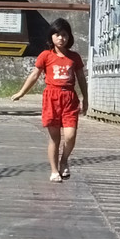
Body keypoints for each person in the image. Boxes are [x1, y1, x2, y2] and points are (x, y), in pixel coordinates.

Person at [12, 18, 88, 182]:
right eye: (57, 35)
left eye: (64, 35)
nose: (61, 38)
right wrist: (22, 92)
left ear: (69, 37)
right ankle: (54, 171)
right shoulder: (46, 55)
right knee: (55, 138)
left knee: (70, 136)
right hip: (51, 98)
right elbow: (34, 75)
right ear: (51, 37)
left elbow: (81, 78)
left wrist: (85, 99)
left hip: (69, 98)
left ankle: (64, 159)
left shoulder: (74, 57)